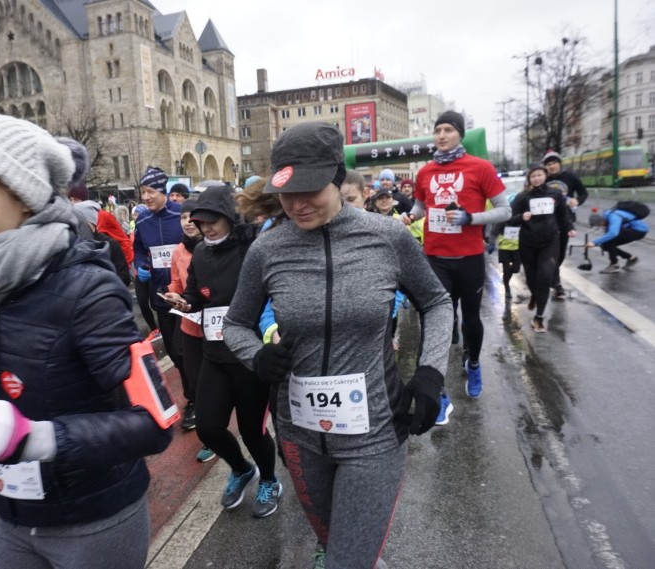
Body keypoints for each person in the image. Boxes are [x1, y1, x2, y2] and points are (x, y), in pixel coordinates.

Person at [0, 114, 172, 569]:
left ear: (26, 196)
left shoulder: (87, 288)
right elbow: (6, 387)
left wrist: (35, 437)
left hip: (93, 522)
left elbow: (156, 422)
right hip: (14, 515)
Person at [224, 122, 452, 568]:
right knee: (338, 546)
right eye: (287, 193)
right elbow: (235, 325)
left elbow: (437, 302)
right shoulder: (267, 250)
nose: (296, 204)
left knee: (346, 560)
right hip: (299, 434)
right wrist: (257, 356)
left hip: (375, 432)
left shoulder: (387, 237)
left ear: (335, 176)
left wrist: (430, 373)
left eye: (309, 191)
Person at [163, 186, 281, 518]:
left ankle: (270, 480)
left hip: (249, 356)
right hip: (214, 353)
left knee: (252, 430)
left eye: (214, 220)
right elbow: (196, 296)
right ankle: (242, 469)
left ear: (230, 217)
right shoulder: (200, 253)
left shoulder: (252, 245)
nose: (207, 227)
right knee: (209, 428)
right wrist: (184, 302)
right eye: (202, 222)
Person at [403, 110, 510, 413]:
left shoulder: (480, 167)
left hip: (471, 258)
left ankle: (473, 363)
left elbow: (505, 210)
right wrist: (412, 214)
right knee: (437, 321)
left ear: (460, 134)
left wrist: (471, 218)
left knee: (471, 319)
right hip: (435, 257)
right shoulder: (425, 172)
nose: (441, 135)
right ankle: (437, 388)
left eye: (448, 129)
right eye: (438, 130)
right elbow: (422, 204)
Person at [133, 166, 190, 421]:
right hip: (160, 296)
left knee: (184, 350)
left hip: (186, 297)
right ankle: (194, 392)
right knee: (174, 351)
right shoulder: (143, 221)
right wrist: (142, 265)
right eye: (142, 192)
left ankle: (195, 399)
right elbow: (138, 251)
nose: (145, 197)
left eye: (150, 191)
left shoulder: (180, 215)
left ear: (162, 190)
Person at [166, 199, 215, 461]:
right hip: (188, 323)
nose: (187, 222)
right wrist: (171, 295)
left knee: (214, 385)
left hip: (214, 328)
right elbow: (175, 282)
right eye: (183, 217)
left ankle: (217, 432)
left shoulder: (213, 248)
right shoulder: (178, 252)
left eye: (192, 217)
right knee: (194, 379)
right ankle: (206, 428)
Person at [507, 164, 576, 332]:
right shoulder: (523, 197)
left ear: (544, 176)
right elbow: (509, 218)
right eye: (533, 176)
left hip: (550, 241)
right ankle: (535, 296)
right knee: (532, 280)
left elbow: (563, 215)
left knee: (545, 277)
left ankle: (539, 317)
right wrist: (521, 217)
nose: (536, 178)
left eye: (539, 175)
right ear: (529, 179)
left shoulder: (555, 194)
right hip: (528, 243)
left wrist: (569, 228)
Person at [543, 150, 588, 299]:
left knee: (560, 253)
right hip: (547, 221)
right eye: (549, 164)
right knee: (553, 253)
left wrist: (577, 201)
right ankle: (557, 284)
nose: (552, 166)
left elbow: (583, 193)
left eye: (554, 163)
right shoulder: (542, 178)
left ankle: (552, 277)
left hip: (565, 219)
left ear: (559, 164)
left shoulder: (570, 177)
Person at [74, 200, 131, 285]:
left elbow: (124, 276)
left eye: (80, 222)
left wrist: (103, 287)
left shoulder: (110, 244)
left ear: (92, 223)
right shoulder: (73, 245)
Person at [588, 203, 649, 273]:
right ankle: (631, 258)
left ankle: (614, 265)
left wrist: (594, 242)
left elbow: (613, 233)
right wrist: (598, 242)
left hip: (639, 230)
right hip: (631, 229)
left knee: (610, 240)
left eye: (600, 225)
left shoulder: (614, 216)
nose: (601, 226)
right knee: (605, 245)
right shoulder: (607, 216)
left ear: (601, 221)